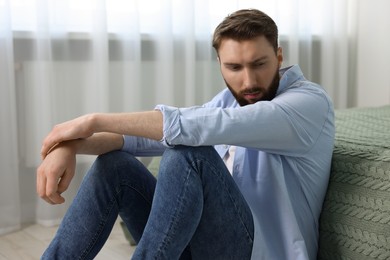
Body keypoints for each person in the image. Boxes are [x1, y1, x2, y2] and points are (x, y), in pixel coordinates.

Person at [37, 9, 334, 260]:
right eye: (234, 67)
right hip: (197, 242)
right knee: (115, 166)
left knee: (191, 152)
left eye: (259, 64)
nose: (249, 80)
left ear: (279, 56)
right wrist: (69, 144)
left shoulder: (308, 104)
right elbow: (150, 137)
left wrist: (92, 121)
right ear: (219, 64)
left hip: (258, 252)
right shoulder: (228, 102)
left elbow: (194, 128)